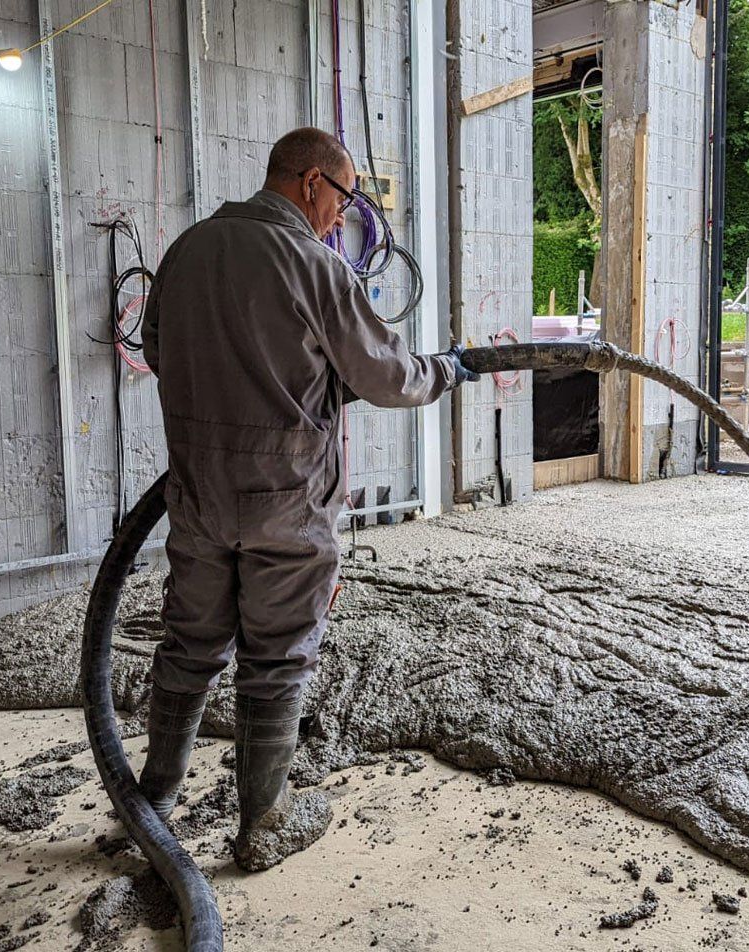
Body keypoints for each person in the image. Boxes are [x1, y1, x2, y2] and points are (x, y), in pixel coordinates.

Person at [138, 127, 478, 871]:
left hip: (196, 495)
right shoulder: (314, 266)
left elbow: (158, 350)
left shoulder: (188, 250)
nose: (343, 216)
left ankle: (152, 806)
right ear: (311, 181)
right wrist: (447, 370)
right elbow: (390, 377)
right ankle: (263, 820)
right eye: (345, 197)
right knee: (278, 658)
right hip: (287, 500)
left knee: (190, 645)